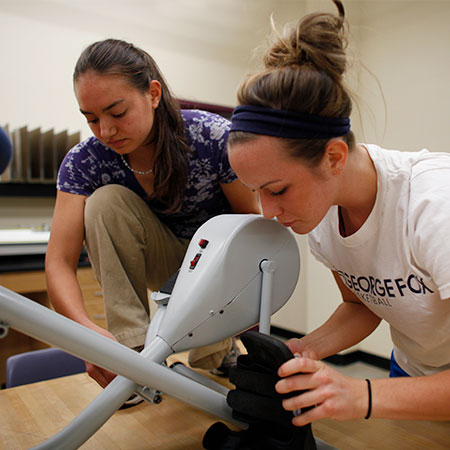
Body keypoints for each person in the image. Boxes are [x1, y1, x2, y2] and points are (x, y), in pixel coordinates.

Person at [227, 0, 450, 425]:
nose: (268, 212)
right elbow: (363, 304)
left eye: (276, 190)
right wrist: (298, 352)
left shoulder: (434, 205)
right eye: (257, 192)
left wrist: (361, 396)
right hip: (412, 378)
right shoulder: (323, 216)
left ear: (333, 156)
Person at [45, 39, 260, 393]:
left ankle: (217, 350)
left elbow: (251, 231)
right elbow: (58, 263)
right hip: (161, 264)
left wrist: (245, 316)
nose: (106, 130)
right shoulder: (85, 162)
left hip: (213, 266)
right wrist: (85, 332)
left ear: (154, 94)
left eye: (117, 112)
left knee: (237, 239)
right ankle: (129, 357)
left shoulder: (210, 137)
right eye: (92, 118)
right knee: (105, 202)